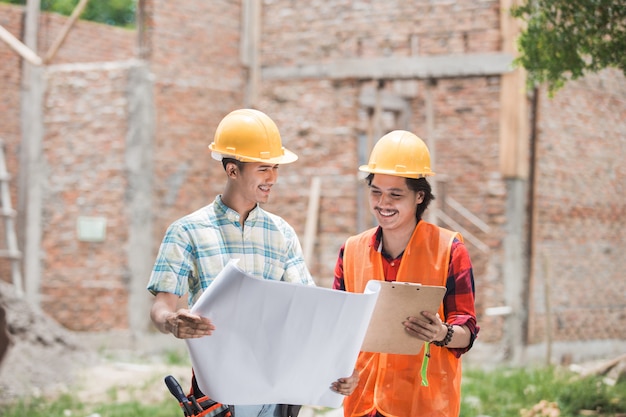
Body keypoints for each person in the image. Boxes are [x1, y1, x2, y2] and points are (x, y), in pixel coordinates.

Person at [147, 108, 359, 417]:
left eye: (274, 167)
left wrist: (339, 367)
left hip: (277, 386)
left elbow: (309, 310)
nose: (272, 178)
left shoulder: (282, 233)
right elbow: (160, 307)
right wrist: (171, 323)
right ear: (233, 171)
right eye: (263, 168)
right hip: (218, 388)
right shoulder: (187, 232)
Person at [333, 130, 479, 417]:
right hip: (363, 404)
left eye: (395, 195)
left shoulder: (450, 250)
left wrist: (442, 333)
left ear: (419, 196)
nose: (382, 203)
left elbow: (467, 332)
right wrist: (339, 371)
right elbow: (339, 330)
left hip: (424, 405)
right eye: (375, 192)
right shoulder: (350, 251)